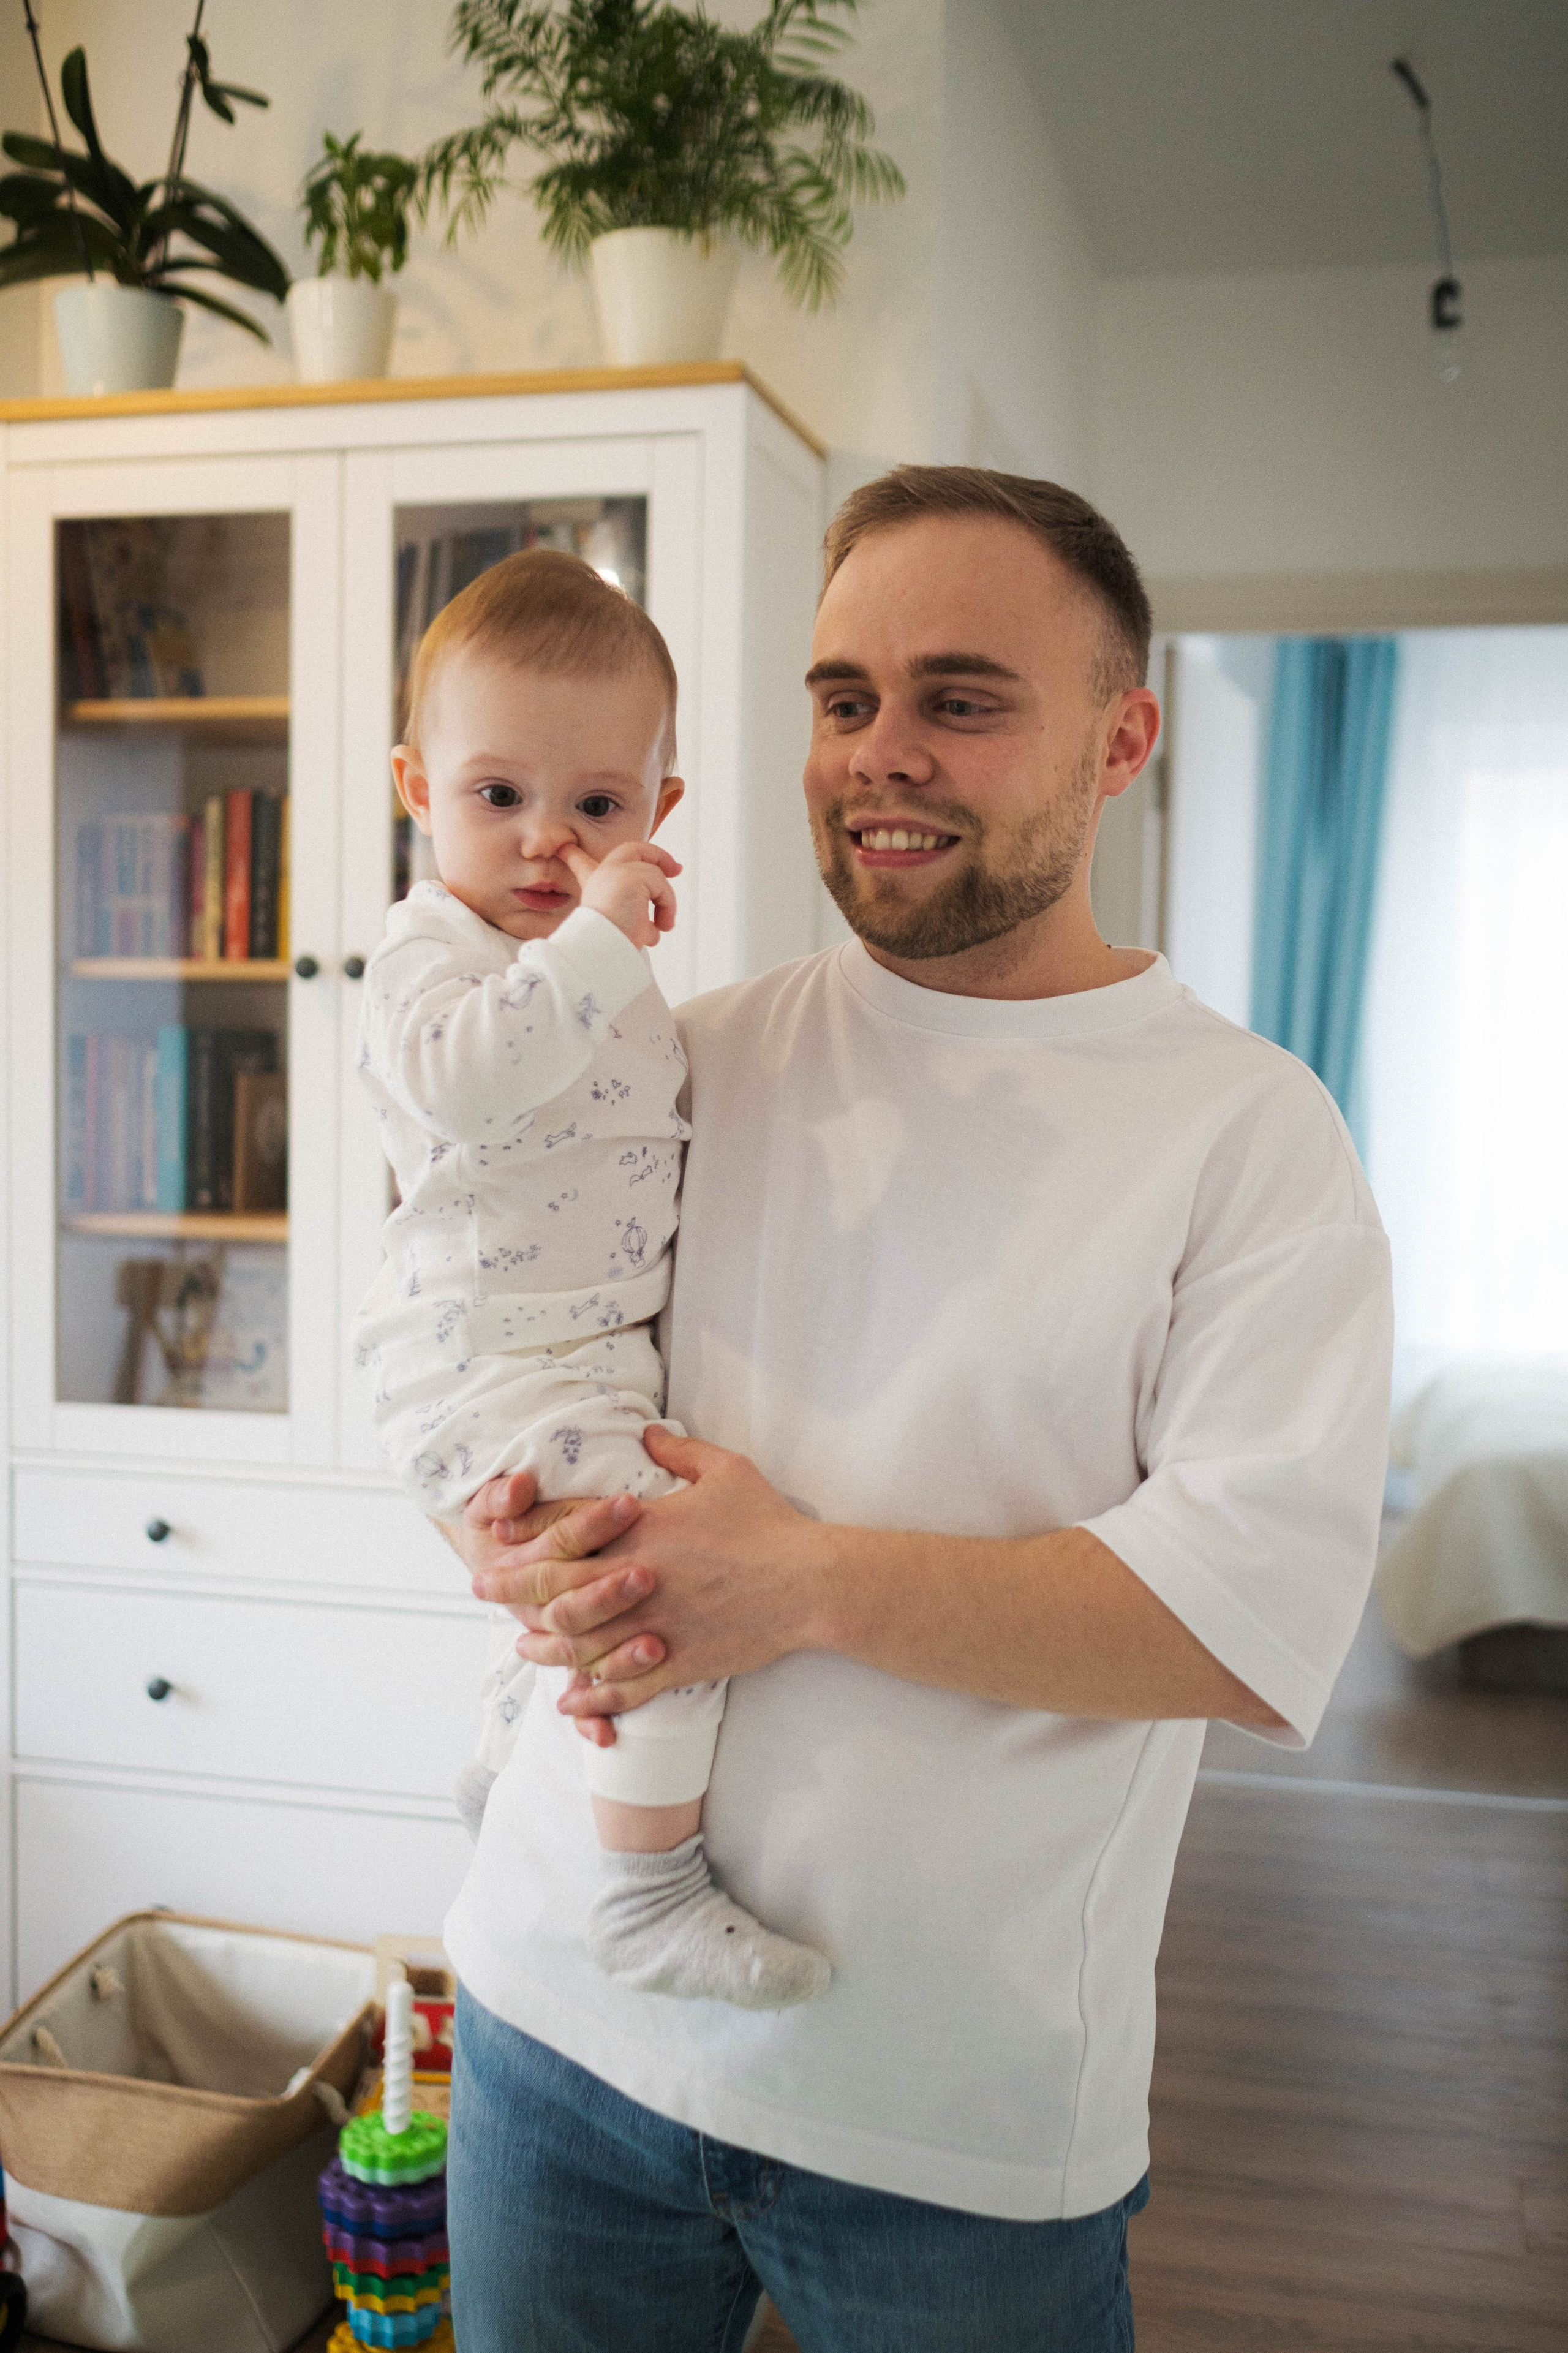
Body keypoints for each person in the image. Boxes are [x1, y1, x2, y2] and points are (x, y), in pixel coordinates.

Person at [439, 469, 1395, 2352]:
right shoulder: (679, 1048)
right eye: (841, 695)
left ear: (1122, 739)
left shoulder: (1250, 1136)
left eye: (962, 698)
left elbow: (1244, 1620)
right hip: (555, 2026)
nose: (883, 754)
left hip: (947, 2129)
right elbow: (504, 1326)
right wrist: (510, 1526)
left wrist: (793, 1584)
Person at [352, 548, 829, 2012]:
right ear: (416, 789)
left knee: (606, 1565)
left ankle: (519, 1731)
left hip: (578, 1357)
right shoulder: (428, 954)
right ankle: (646, 1893)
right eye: (498, 795)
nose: (546, 840)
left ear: (658, 812)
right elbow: (472, 1085)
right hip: (472, 1359)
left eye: (597, 806)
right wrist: (596, 938)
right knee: (668, 1581)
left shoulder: (591, 974)